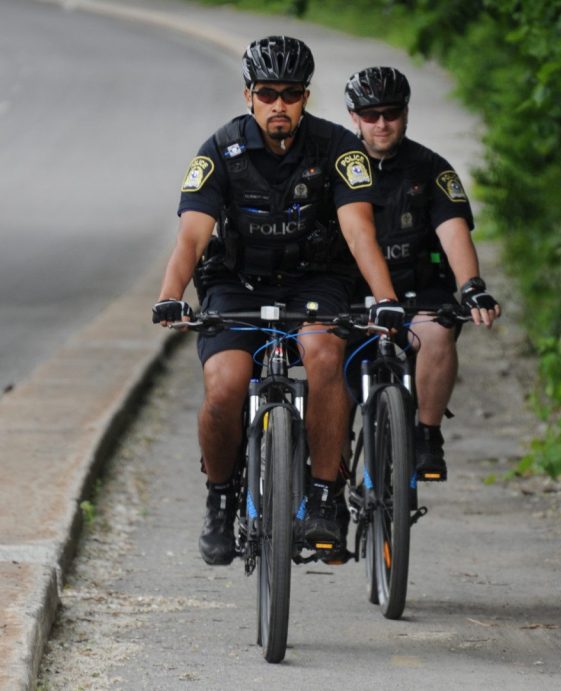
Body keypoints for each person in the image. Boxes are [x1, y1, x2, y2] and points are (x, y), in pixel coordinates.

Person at [152, 37, 404, 566]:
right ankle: (220, 498)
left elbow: (359, 232)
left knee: (325, 355)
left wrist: (385, 299)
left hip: (317, 280)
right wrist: (170, 297)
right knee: (224, 385)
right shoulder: (220, 150)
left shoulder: (338, 148)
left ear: (305, 96)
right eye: (267, 93)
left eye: (290, 94)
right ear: (249, 95)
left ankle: (324, 495)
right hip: (237, 282)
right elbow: (192, 236)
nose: (279, 104)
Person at [344, 66, 501, 481]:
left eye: (391, 113)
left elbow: (454, 232)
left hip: (418, 289)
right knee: (328, 366)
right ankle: (329, 476)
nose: (382, 123)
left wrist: (472, 287)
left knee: (437, 333)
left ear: (406, 113)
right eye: (371, 114)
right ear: (354, 117)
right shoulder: (337, 166)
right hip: (351, 295)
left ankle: (428, 434)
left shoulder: (431, 167)